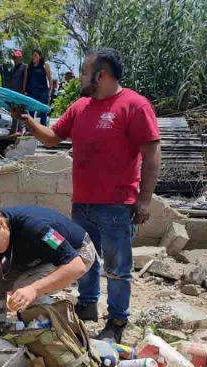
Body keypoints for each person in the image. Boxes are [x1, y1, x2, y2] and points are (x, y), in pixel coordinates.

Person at [10, 48, 161, 343]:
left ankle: (117, 319)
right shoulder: (80, 106)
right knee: (85, 258)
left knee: (118, 268)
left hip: (117, 205)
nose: (80, 77)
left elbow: (152, 153)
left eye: (84, 72)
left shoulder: (134, 105)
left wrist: (145, 199)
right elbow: (52, 138)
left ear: (101, 75)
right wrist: (27, 121)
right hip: (83, 202)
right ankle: (88, 304)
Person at [0, 195, 97, 334]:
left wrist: (34, 289)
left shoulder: (39, 229)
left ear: (2, 224)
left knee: (23, 289)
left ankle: (53, 332)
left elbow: (76, 265)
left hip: (76, 253)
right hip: (33, 257)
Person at [23, 49, 53, 126]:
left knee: (43, 109)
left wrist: (50, 90)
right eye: (33, 55)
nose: (33, 57)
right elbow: (25, 79)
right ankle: (30, 128)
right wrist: (24, 90)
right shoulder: (28, 66)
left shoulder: (45, 65)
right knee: (31, 110)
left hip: (42, 91)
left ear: (39, 56)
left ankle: (43, 126)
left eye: (35, 55)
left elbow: (50, 78)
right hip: (31, 91)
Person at [8, 50, 27, 133]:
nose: (16, 59)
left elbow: (26, 79)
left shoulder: (24, 67)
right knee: (13, 111)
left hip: (21, 92)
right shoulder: (12, 69)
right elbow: (10, 80)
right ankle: (13, 128)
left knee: (21, 110)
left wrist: (24, 90)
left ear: (21, 58)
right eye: (15, 57)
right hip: (13, 92)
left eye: (17, 57)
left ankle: (20, 128)